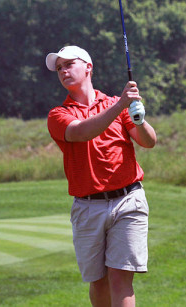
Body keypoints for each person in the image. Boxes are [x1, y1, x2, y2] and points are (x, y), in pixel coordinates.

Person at [45, 45, 157, 307]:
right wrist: (121, 104)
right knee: (99, 283)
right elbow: (82, 132)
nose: (63, 71)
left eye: (69, 64)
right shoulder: (58, 115)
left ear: (88, 68)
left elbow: (148, 141)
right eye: (59, 68)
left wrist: (138, 118)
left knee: (120, 279)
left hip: (128, 201)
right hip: (87, 206)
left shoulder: (113, 105)